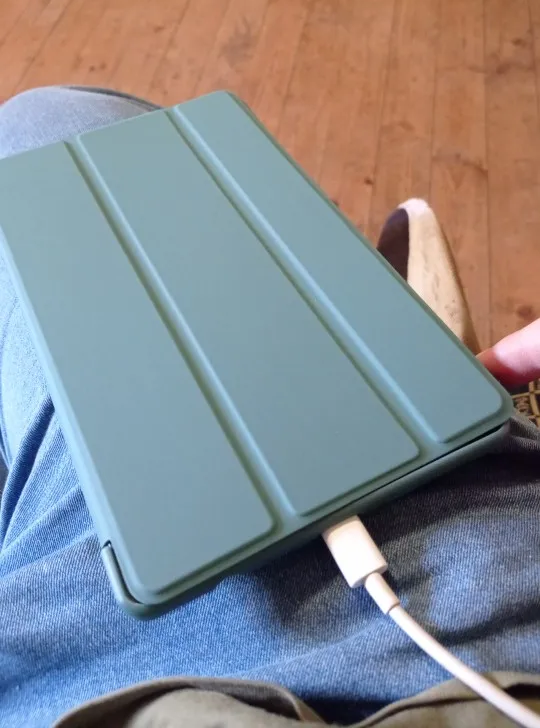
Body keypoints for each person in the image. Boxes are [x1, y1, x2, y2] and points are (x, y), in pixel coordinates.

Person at [0, 87, 538, 728]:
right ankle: (398, 351)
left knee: (42, 126)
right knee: (54, 131)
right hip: (495, 556)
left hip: (97, 657)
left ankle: (399, 349)